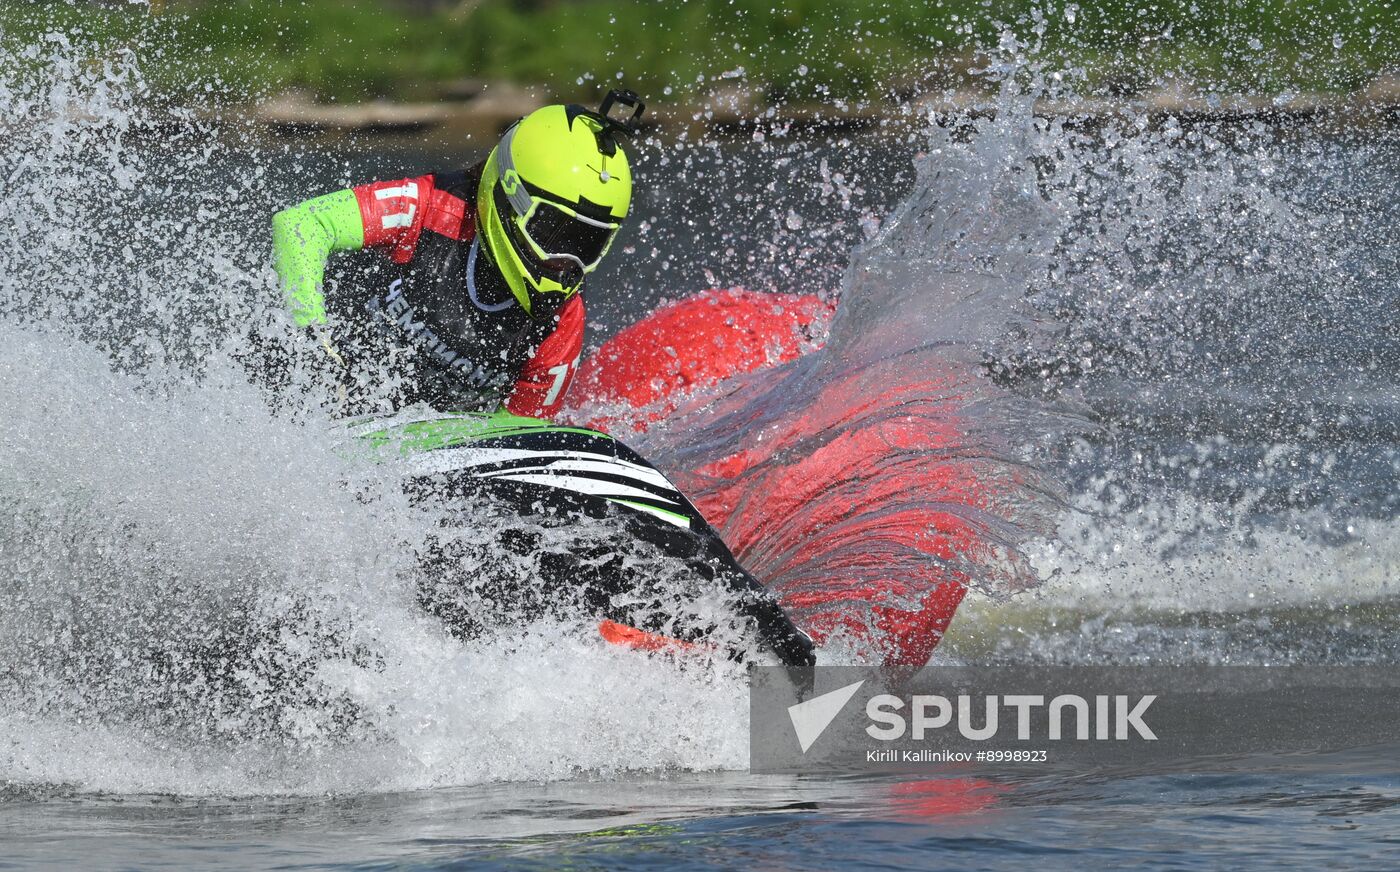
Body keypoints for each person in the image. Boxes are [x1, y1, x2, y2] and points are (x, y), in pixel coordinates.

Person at [270, 90, 644, 418]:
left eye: (587, 244)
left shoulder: (562, 323)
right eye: (553, 232)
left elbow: (520, 437)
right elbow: (302, 226)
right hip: (304, 398)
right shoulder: (428, 207)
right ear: (511, 195)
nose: (565, 261)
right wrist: (312, 343)